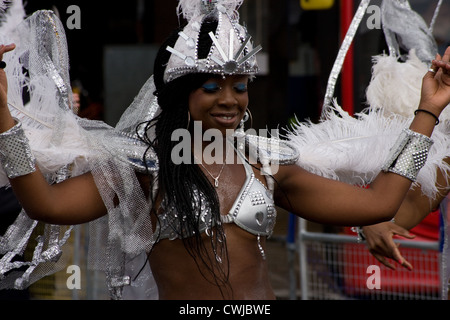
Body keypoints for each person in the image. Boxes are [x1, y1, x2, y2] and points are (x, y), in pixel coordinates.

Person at [1, 0, 450, 300]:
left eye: (240, 86)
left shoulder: (265, 163)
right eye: (212, 87)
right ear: (181, 96)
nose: (230, 100)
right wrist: (3, 116)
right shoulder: (144, 168)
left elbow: (380, 201)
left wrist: (427, 110)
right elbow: (47, 202)